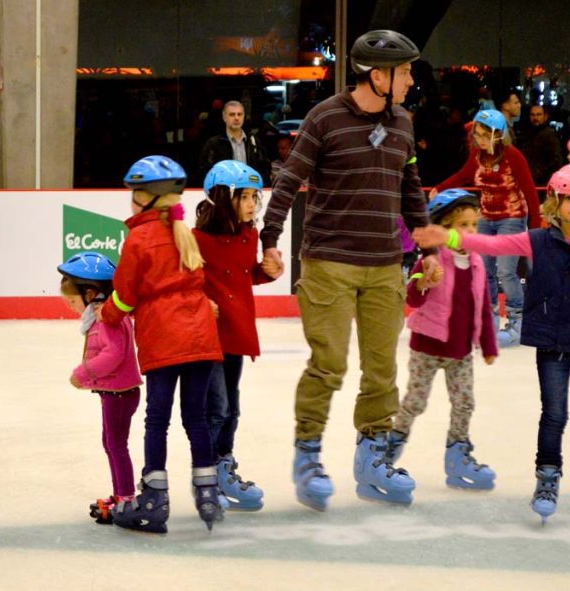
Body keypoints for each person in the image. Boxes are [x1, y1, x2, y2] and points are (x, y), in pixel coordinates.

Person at [260, 30, 429, 510]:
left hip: (383, 267)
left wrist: (427, 250)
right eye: (405, 71)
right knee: (329, 364)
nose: (410, 79)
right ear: (378, 76)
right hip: (329, 262)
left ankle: (372, 456)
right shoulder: (325, 117)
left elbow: (411, 190)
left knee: (382, 370)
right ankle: (308, 453)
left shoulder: (403, 124)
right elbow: (290, 179)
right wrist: (269, 239)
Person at [413, 162, 570, 524]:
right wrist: (450, 238)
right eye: (568, 199)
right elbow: (491, 243)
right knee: (554, 415)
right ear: (556, 202)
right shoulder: (536, 241)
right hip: (552, 345)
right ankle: (547, 477)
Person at [100, 155, 224, 533]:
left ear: (146, 199)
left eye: (134, 194)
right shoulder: (182, 231)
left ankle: (154, 498)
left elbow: (125, 294)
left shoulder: (139, 237)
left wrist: (106, 314)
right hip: (201, 336)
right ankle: (207, 492)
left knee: (157, 420)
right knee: (196, 418)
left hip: (164, 338)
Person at [385, 189, 498, 491]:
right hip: (428, 347)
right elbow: (412, 297)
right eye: (463, 225)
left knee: (465, 403)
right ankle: (388, 450)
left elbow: (483, 307)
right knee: (414, 403)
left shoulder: (476, 262)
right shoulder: (432, 260)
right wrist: (423, 282)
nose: (471, 232)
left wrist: (488, 345)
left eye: (474, 225)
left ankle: (458, 456)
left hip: (461, 350)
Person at [192, 160, 272, 511]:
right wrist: (199, 300)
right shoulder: (196, 240)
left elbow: (242, 276)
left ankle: (224, 466)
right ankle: (206, 476)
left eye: (255, 196)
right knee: (217, 409)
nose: (253, 204)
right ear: (224, 198)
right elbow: (182, 283)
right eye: (245, 197)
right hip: (208, 335)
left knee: (232, 408)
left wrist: (265, 272)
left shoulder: (248, 235)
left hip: (237, 331)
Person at [433, 109, 540, 347]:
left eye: (484, 135)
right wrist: (439, 187)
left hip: (511, 218)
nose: (479, 139)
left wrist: (534, 229)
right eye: (477, 135)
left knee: (506, 272)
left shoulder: (513, 156)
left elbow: (530, 192)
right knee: (485, 271)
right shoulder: (477, 156)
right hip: (486, 217)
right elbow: (463, 176)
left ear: (499, 135)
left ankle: (517, 323)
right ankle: (488, 323)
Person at [58, 251, 141, 525]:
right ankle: (122, 495)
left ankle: (126, 498)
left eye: (71, 301)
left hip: (120, 392)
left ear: (90, 292)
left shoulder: (107, 318)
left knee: (116, 445)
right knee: (112, 443)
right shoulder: (101, 314)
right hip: (116, 391)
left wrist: (82, 374)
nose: (70, 307)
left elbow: (114, 353)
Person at [198, 100, 270, 183]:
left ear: (244, 117)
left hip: (250, 191)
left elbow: (265, 169)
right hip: (224, 192)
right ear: (224, 117)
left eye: (239, 114)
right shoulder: (214, 144)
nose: (236, 118)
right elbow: (205, 172)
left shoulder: (253, 142)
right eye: (232, 115)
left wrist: (252, 182)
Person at [522, 105, 564, 186]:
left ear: (545, 116)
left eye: (539, 114)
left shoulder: (549, 135)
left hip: (542, 183)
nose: (535, 118)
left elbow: (556, 161)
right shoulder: (529, 134)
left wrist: (538, 175)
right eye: (532, 115)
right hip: (531, 180)